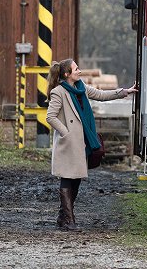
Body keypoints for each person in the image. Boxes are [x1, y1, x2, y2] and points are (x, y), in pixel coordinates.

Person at [46, 59, 137, 231]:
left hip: (82, 141)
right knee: (67, 178)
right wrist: (66, 133)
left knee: (77, 179)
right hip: (68, 143)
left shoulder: (81, 88)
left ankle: (63, 217)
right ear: (67, 74)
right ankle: (69, 220)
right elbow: (50, 117)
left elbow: (101, 95)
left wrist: (124, 92)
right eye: (76, 69)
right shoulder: (58, 92)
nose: (79, 71)